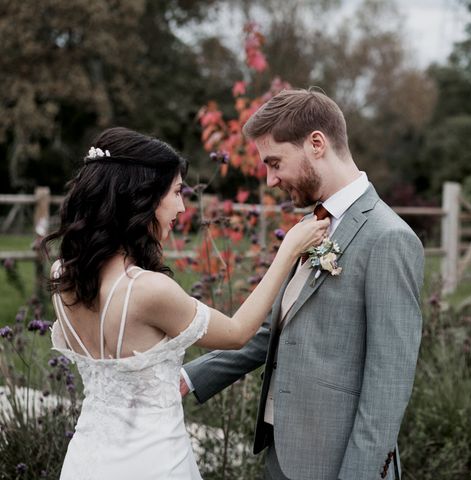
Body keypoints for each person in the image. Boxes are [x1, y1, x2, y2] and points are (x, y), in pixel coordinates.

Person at [44, 127, 329, 480]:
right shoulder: (148, 290)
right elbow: (238, 332)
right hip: (153, 463)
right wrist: (289, 250)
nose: (182, 207)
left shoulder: (63, 275)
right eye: (177, 192)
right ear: (142, 197)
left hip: (85, 461)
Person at [181, 89, 425, 479]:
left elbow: (388, 383)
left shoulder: (388, 238)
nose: (270, 178)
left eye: (275, 163)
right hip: (284, 454)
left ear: (316, 144)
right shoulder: (312, 228)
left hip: (340, 464)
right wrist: (187, 378)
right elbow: (272, 334)